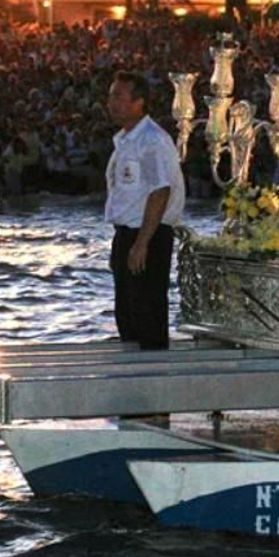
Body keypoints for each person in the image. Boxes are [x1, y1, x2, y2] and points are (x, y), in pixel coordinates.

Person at [105, 71, 184, 350]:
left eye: (119, 96)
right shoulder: (126, 140)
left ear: (139, 102)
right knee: (127, 315)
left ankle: (152, 377)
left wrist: (142, 244)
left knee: (147, 313)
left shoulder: (152, 140)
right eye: (111, 95)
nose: (112, 102)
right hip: (127, 234)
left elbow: (160, 191)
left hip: (148, 235)